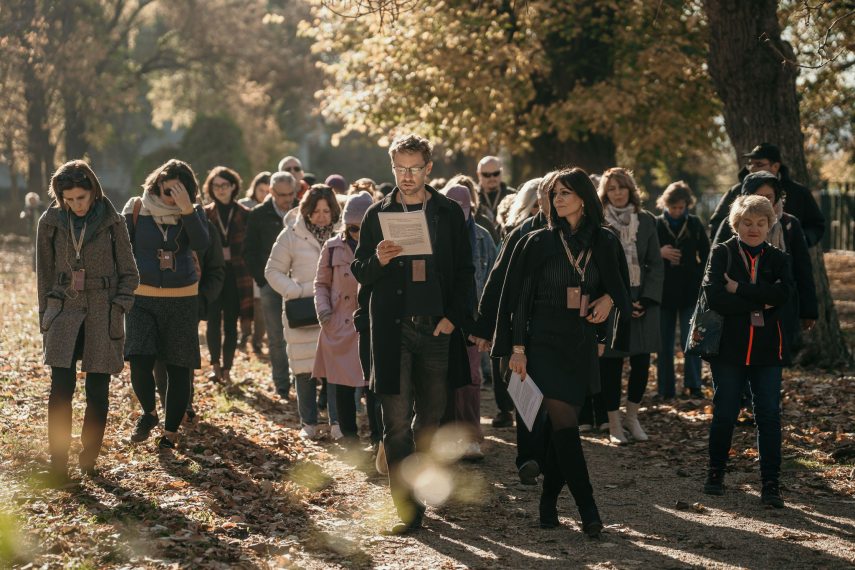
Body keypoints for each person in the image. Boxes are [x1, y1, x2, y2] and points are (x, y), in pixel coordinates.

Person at [493, 167, 631, 538]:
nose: (558, 200)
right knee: (566, 427)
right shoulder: (537, 242)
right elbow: (519, 299)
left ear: (584, 197)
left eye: (566, 193)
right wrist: (517, 348)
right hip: (541, 342)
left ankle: (547, 504)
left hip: (580, 342)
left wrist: (607, 300)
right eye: (555, 194)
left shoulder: (605, 240)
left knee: (562, 431)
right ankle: (589, 509)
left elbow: (621, 287)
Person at [352, 134, 475, 535]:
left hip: (437, 328)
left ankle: (420, 480)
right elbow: (360, 272)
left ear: (428, 169)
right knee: (396, 421)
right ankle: (407, 509)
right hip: (393, 330)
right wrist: (378, 260)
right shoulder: (376, 213)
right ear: (392, 168)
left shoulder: (447, 212)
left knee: (432, 419)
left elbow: (463, 271)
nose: (407, 176)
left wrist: (454, 319)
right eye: (400, 169)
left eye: (414, 168)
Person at [37, 160, 139, 482]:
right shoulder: (50, 221)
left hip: (102, 312)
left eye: (81, 197)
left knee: (97, 392)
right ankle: (57, 463)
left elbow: (130, 273)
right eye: (68, 199)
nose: (75, 205)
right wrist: (46, 317)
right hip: (63, 311)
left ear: (93, 191)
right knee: (60, 389)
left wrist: (119, 306)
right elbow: (44, 274)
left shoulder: (113, 221)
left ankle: (89, 460)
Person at [701, 194, 794, 508]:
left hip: (769, 349)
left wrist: (739, 289)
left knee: (768, 415)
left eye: (760, 223)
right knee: (725, 411)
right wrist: (761, 300)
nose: (753, 228)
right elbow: (715, 298)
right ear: (735, 224)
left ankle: (770, 483)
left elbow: (783, 295)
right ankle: (716, 473)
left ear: (770, 225)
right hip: (728, 349)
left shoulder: (779, 258)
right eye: (746, 223)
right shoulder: (722, 253)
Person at [123, 159, 210, 449]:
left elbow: (202, 244)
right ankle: (148, 413)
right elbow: (123, 248)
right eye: (166, 188)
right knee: (139, 358)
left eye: (178, 190)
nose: (170, 195)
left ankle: (171, 432)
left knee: (178, 367)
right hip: (142, 296)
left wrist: (187, 210)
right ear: (155, 184)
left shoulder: (194, 214)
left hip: (182, 298)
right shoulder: (136, 208)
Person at [471, 178, 546, 484]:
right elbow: (497, 281)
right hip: (522, 327)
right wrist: (485, 327)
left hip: (561, 328)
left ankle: (548, 456)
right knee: (525, 392)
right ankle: (528, 458)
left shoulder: (580, 234)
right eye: (541, 200)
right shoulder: (521, 234)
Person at [596, 168, 663, 445]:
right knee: (611, 363)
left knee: (641, 361)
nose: (618, 193)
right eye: (612, 188)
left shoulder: (646, 220)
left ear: (631, 189)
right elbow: (597, 266)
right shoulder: (598, 222)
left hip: (642, 300)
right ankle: (613, 423)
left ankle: (632, 418)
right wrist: (617, 298)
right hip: (610, 300)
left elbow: (655, 263)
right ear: (605, 193)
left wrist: (646, 299)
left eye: (622, 187)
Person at [266, 184, 340, 439]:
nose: (321, 216)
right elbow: (272, 271)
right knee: (304, 368)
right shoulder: (291, 235)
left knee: (336, 369)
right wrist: (295, 291)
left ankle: (337, 423)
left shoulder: (341, 235)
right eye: (316, 210)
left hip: (335, 312)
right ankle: (308, 423)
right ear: (307, 211)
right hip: (302, 310)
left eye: (326, 211)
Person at [712, 171, 818, 347]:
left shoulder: (790, 224)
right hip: (735, 312)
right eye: (758, 196)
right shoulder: (730, 224)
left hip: (778, 311)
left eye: (769, 197)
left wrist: (809, 311)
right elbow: (715, 266)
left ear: (777, 197)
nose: (764, 202)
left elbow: (803, 269)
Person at [441, 184, 497, 461]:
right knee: (444, 380)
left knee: (471, 380)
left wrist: (487, 326)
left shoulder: (483, 238)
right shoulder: (434, 232)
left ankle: (472, 437)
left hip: (472, 320)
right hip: (442, 318)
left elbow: (492, 283)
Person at [314, 191, 374, 443]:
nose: (357, 233)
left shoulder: (381, 245)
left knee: (373, 384)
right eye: (352, 227)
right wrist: (325, 314)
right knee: (342, 383)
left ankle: (378, 437)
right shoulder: (331, 247)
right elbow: (320, 284)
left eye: (363, 227)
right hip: (339, 322)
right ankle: (348, 436)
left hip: (369, 322)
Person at [708, 143, 825, 247]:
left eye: (759, 164)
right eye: (750, 164)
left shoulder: (799, 192)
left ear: (775, 166)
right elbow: (717, 223)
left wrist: (801, 240)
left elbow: (816, 224)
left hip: (788, 262)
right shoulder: (736, 191)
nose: (752, 168)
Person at [244, 172, 296, 399]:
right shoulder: (258, 215)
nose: (287, 199)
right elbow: (249, 251)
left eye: (291, 194)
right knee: (276, 336)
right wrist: (262, 280)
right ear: (272, 192)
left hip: (298, 283)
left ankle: (301, 379)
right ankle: (282, 383)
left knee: (300, 333)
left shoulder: (301, 213)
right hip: (270, 285)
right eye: (282, 194)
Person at [655, 181, 710, 399]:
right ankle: (665, 389)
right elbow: (646, 254)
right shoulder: (656, 224)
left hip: (689, 290)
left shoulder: (695, 223)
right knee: (664, 344)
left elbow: (707, 255)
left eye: (681, 207)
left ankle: (693, 385)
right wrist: (661, 253)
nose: (677, 212)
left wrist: (699, 275)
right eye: (673, 207)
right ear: (665, 205)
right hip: (663, 291)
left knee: (692, 340)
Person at [202, 166, 253, 383]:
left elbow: (251, 247)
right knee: (213, 321)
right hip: (213, 274)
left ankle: (227, 368)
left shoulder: (245, 214)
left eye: (225, 185)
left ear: (233, 186)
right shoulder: (205, 213)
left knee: (231, 323)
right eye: (216, 186)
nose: (221, 190)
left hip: (236, 274)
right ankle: (214, 364)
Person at [238, 171, 272, 354]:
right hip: (243, 260)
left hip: (263, 262)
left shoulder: (271, 211)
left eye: (268, 190)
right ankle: (244, 334)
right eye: (261, 189)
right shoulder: (244, 206)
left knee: (261, 303)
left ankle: (257, 339)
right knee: (245, 300)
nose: (264, 194)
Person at [475, 155, 516, 238]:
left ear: (501, 172)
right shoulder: (472, 196)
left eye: (496, 173)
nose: (492, 178)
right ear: (478, 174)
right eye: (486, 174)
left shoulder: (513, 195)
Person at [22, 191, 43, 270]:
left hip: (42, 230)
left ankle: (41, 265)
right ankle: (35, 267)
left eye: (33, 199)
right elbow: (24, 215)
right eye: (30, 200)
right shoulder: (28, 208)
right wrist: (26, 214)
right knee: (35, 248)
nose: (32, 201)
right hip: (33, 231)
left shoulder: (41, 206)